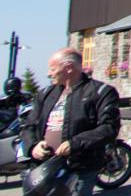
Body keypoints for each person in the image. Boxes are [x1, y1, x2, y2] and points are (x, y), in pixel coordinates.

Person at [22, 47, 121, 196]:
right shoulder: (45, 93)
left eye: (53, 69)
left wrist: (74, 143)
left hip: (79, 168)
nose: (49, 73)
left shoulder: (101, 92)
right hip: (44, 167)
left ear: (68, 68)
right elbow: (29, 125)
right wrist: (33, 147)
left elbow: (109, 128)